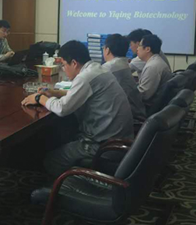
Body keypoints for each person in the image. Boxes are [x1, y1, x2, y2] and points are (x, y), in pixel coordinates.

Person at [22, 40, 133, 178]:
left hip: (104, 146)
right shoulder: (98, 69)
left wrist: (39, 98)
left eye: (63, 65)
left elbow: (62, 108)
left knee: (51, 160)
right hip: (119, 140)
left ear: (74, 63)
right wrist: (54, 93)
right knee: (62, 136)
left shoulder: (85, 77)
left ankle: (63, 187)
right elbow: (80, 94)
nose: (63, 69)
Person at [102, 34, 146, 122]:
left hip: (128, 118)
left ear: (107, 50)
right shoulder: (123, 64)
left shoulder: (108, 68)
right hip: (134, 112)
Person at [136, 34, 172, 111]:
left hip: (149, 107)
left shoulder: (152, 66)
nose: (137, 48)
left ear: (147, 49)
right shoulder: (155, 61)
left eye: (139, 45)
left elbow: (144, 95)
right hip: (157, 104)